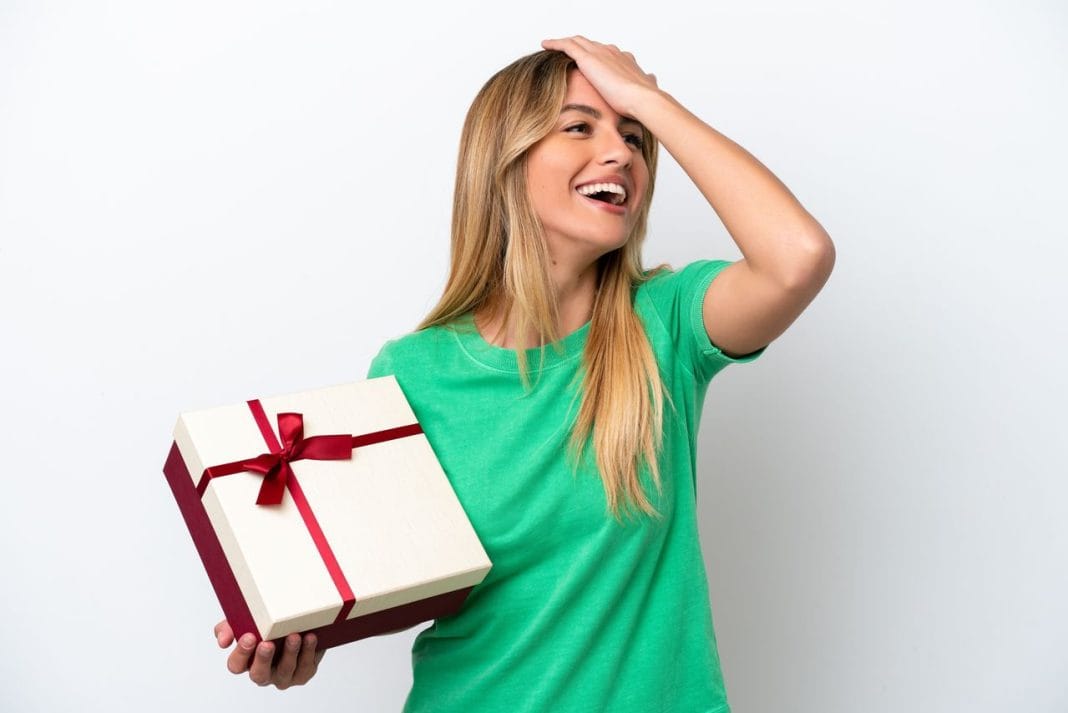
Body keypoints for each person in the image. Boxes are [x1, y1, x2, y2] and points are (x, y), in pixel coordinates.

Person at [214, 35, 835, 710]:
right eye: (580, 127)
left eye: (633, 137)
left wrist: (649, 99)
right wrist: (297, 639)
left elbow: (797, 257)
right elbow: (385, 578)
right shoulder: (411, 371)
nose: (621, 152)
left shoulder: (666, 324)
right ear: (506, 160)